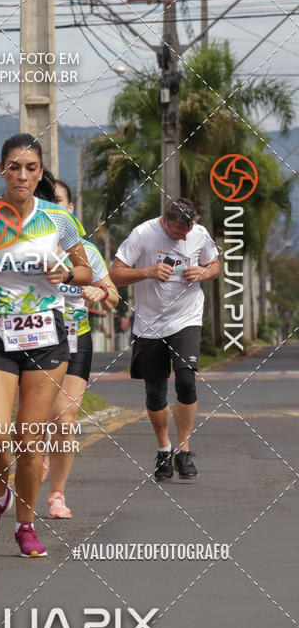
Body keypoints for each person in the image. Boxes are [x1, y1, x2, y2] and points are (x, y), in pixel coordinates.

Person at [0, 134, 92, 557]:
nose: (22, 175)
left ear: (40, 173)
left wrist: (65, 274)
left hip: (47, 335)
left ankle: (25, 525)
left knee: (29, 442)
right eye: (14, 166)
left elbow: (86, 272)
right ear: (2, 170)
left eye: (31, 168)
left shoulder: (58, 221)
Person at [110, 198, 220, 481]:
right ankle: (163, 450)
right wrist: (147, 271)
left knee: (186, 380)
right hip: (150, 324)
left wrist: (204, 272)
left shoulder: (199, 233)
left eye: (187, 231)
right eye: (177, 232)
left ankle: (184, 451)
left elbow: (215, 264)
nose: (183, 237)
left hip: (187, 318)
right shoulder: (143, 234)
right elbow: (116, 273)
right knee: (155, 392)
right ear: (165, 221)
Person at [43, 179, 119, 518]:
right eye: (47, 202)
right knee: (34, 418)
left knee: (66, 416)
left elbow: (114, 296)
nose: (54, 208)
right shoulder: (30, 248)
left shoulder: (87, 253)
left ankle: (57, 495)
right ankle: (35, 456)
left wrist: (99, 293)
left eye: (59, 202)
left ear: (70, 210)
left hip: (77, 339)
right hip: (36, 339)